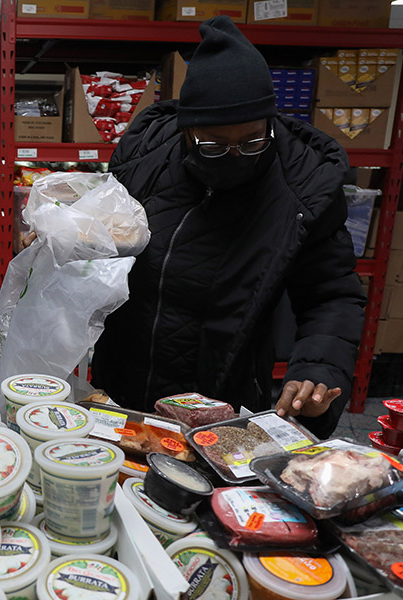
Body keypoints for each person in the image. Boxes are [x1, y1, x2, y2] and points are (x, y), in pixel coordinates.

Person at [88, 16, 366, 438]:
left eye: (253, 140)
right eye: (214, 144)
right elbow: (102, 240)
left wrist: (318, 367)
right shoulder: (141, 159)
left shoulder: (303, 189)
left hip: (223, 394)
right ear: (186, 130)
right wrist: (58, 240)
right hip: (121, 378)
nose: (236, 155)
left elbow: (332, 295)